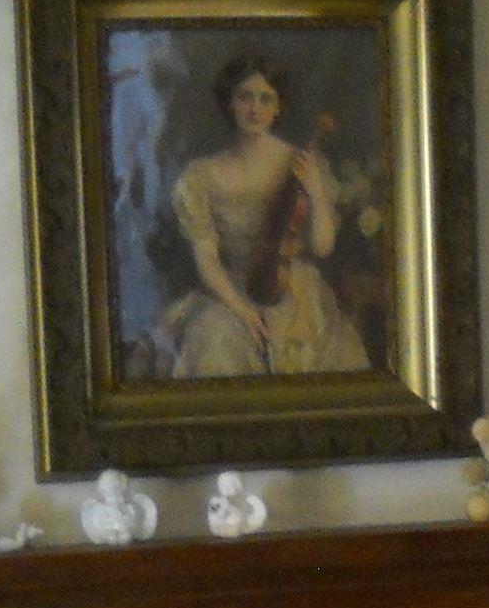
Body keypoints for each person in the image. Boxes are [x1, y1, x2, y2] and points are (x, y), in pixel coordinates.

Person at [142, 55, 369, 380]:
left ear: (278, 108)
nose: (254, 109)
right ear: (229, 104)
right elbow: (206, 260)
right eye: (244, 97)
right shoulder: (201, 176)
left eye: (266, 98)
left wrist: (316, 192)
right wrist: (243, 311)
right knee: (214, 345)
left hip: (295, 289)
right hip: (230, 291)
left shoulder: (302, 163)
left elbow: (323, 248)